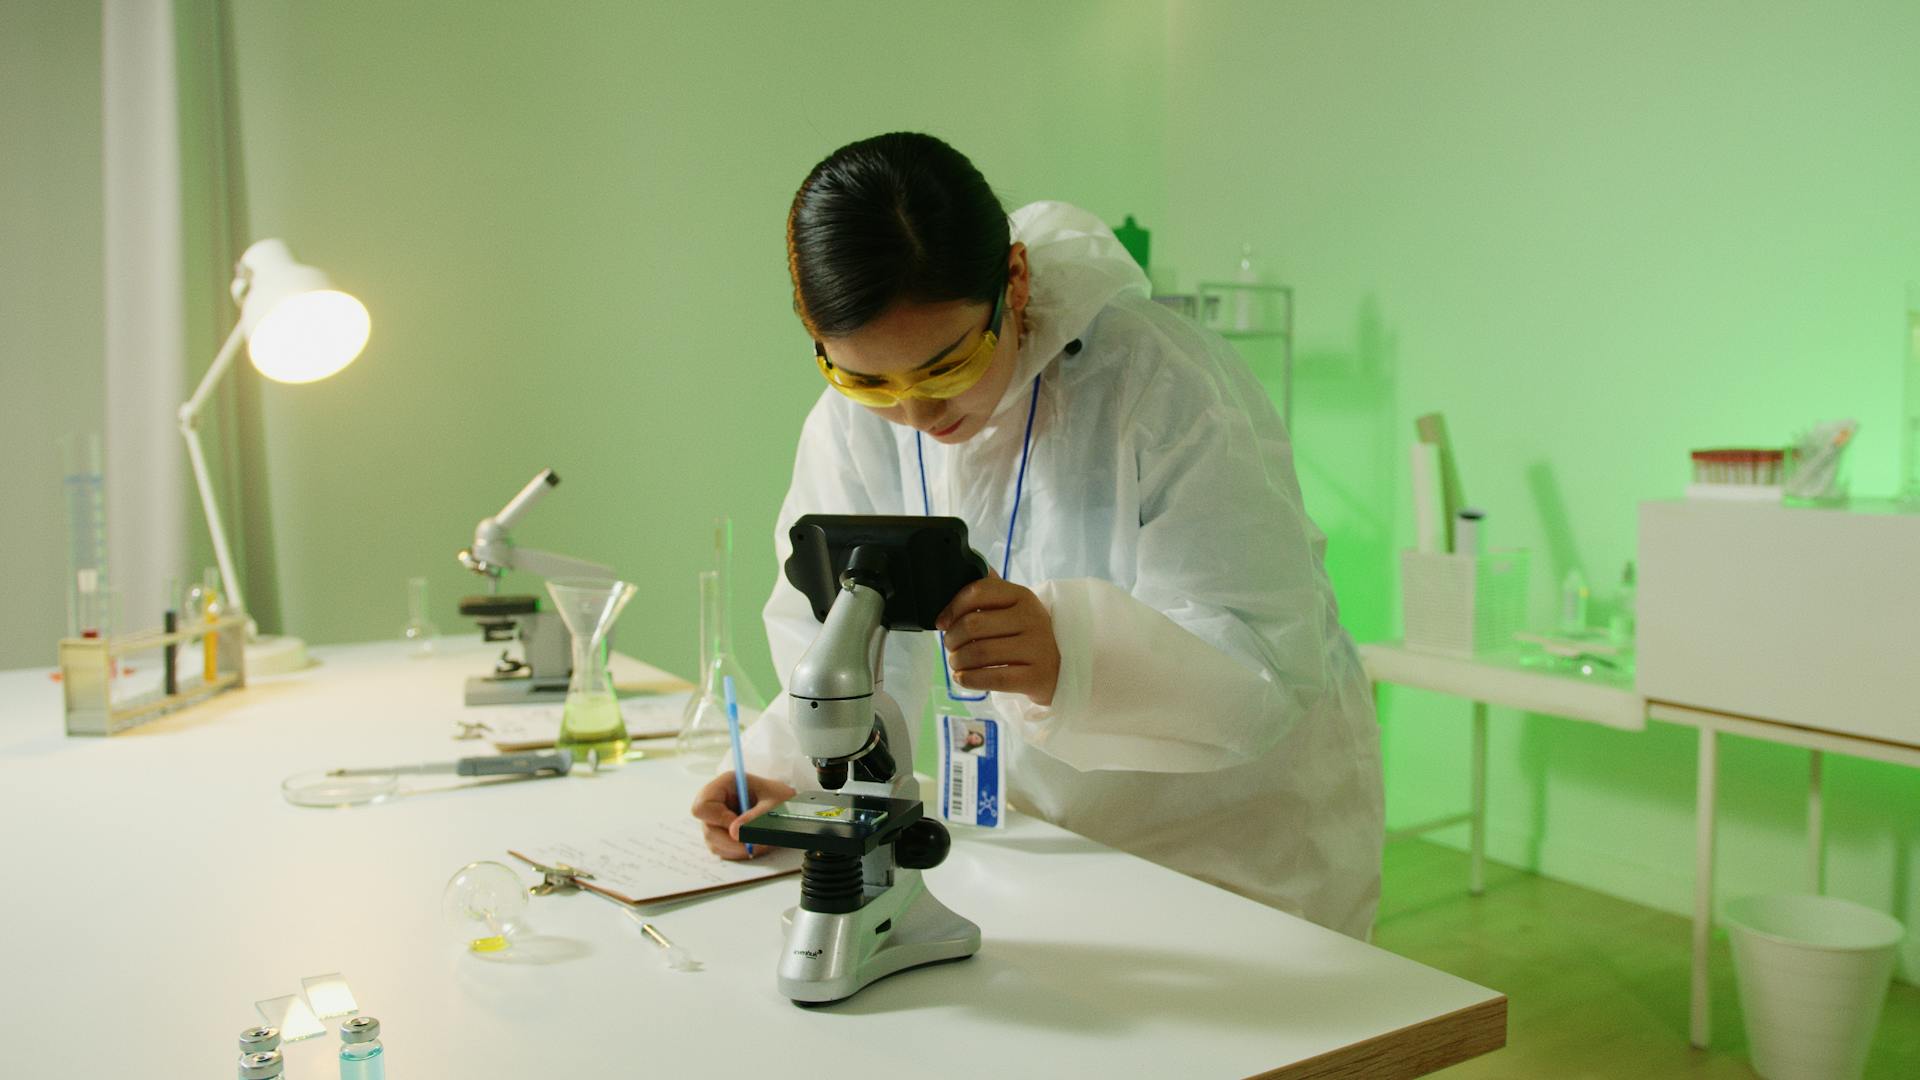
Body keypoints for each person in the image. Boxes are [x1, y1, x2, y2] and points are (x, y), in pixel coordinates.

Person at [690, 132, 1383, 938]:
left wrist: (1073, 657)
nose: (917, 415)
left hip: (1219, 860)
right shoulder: (854, 425)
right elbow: (851, 633)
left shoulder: (1161, 387)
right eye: (866, 379)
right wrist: (787, 772)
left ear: (1013, 282)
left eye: (946, 367)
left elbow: (1265, 664)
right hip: (1016, 854)